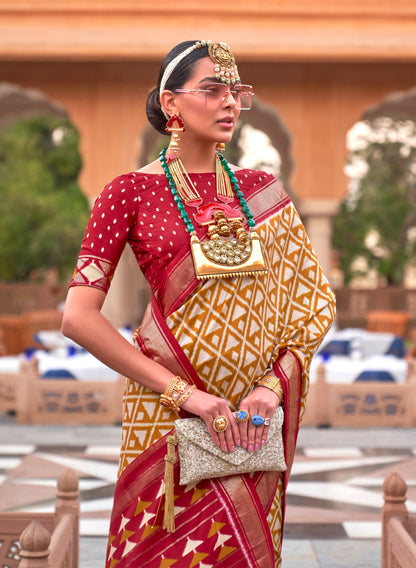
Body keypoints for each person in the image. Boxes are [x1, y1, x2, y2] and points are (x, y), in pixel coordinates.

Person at [62, 40, 336, 568]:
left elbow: (312, 301)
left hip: (253, 424)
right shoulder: (129, 192)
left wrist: (271, 387)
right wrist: (189, 396)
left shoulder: (260, 190)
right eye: (213, 89)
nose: (229, 102)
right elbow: (78, 316)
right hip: (166, 416)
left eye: (237, 92)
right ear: (171, 103)